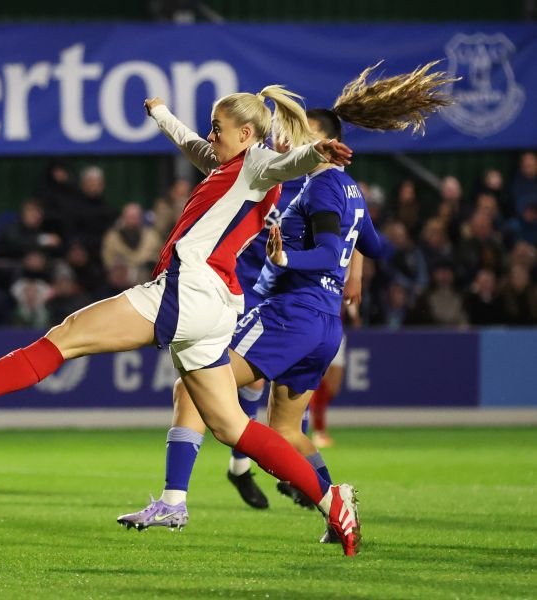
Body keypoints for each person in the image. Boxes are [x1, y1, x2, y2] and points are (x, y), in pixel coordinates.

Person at [0, 86, 364, 555]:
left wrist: (314, 153)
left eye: (218, 128)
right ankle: (330, 499)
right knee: (232, 427)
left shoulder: (258, 164)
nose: (209, 135)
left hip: (189, 291)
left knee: (68, 335)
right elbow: (192, 145)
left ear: (246, 133)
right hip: (216, 305)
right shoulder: (232, 165)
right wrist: (161, 114)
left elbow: (289, 163)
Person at [115, 61, 454, 545]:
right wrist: (351, 263)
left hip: (289, 310)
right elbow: (369, 244)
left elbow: (322, 237)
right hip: (320, 319)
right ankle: (337, 506)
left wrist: (290, 254)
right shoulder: (326, 184)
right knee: (287, 429)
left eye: (290, 133)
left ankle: (175, 501)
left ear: (314, 140)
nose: (280, 140)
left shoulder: (308, 182)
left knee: (194, 386)